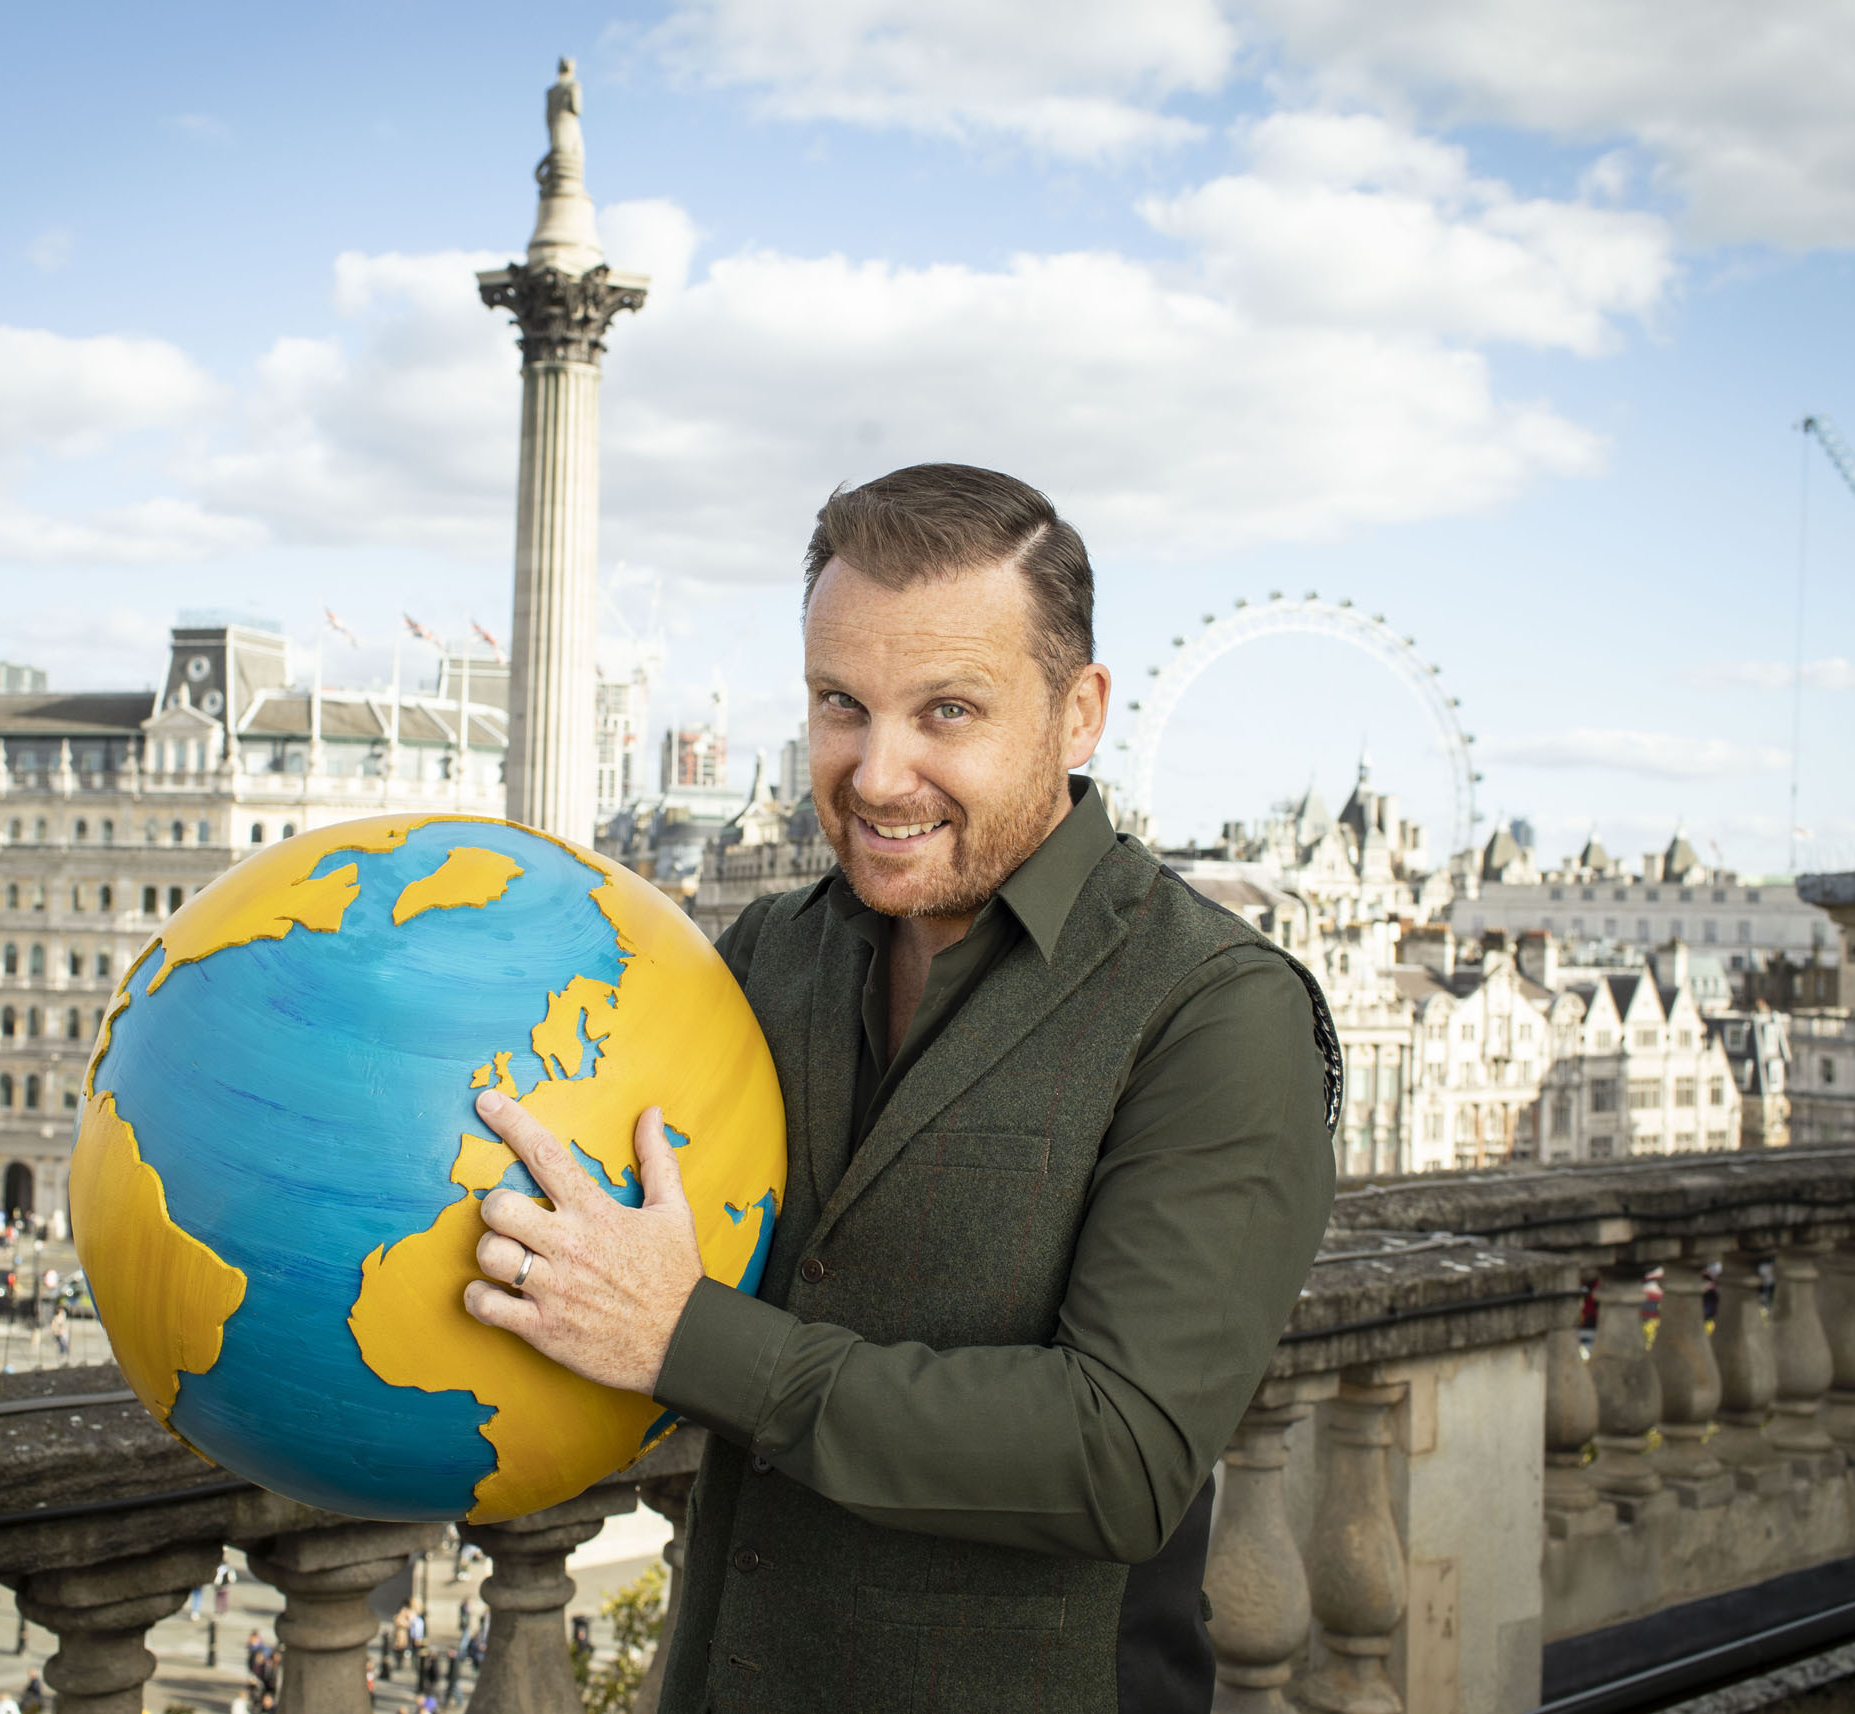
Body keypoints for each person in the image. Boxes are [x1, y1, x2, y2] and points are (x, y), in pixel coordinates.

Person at [455, 466, 1338, 1714]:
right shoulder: (768, 951)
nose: (876, 774)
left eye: (949, 712)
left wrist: (685, 1338)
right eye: (840, 704)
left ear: (1079, 713)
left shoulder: (1216, 1008)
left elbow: (1122, 1456)